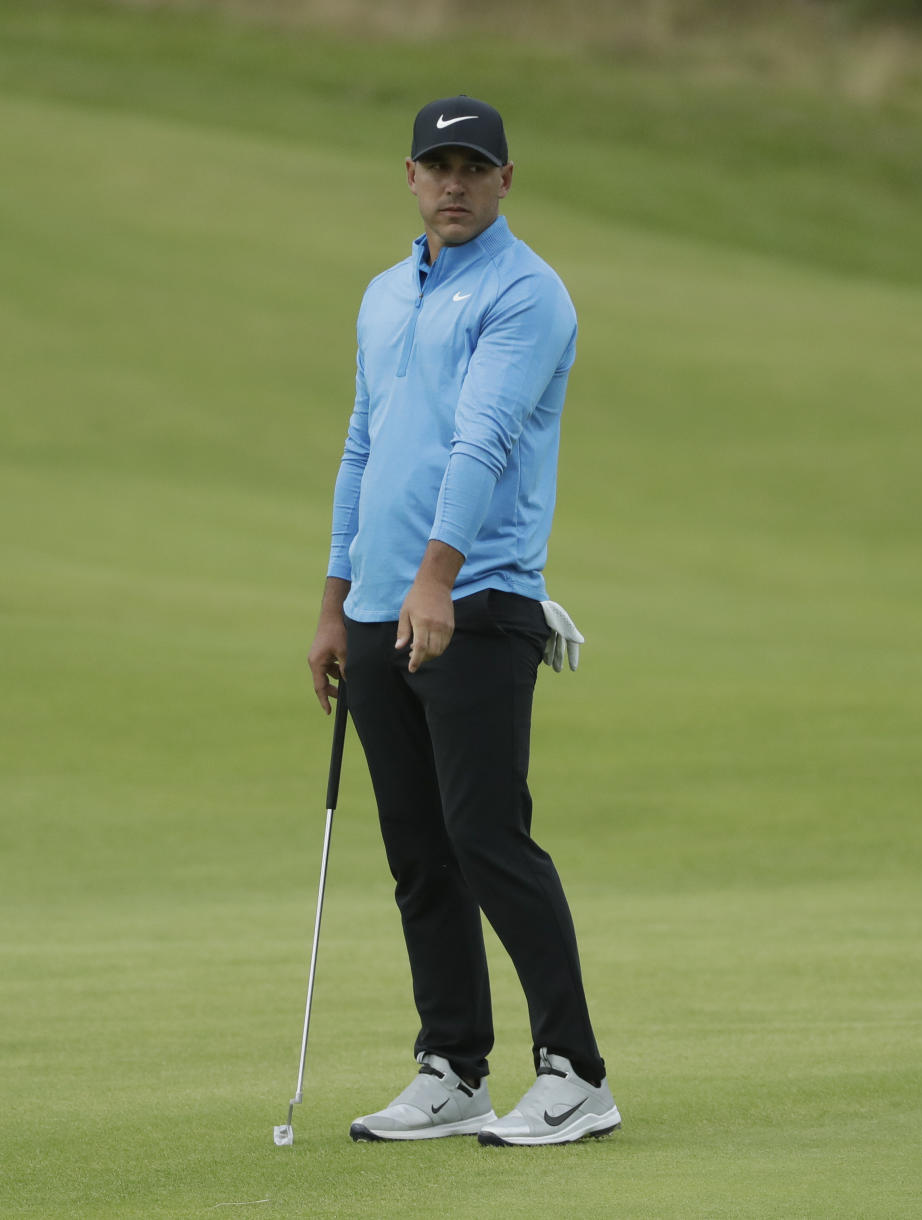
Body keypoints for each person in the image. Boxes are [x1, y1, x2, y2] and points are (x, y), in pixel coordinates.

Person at [307, 95, 620, 1147]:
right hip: (380, 607)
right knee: (419, 850)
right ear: (408, 176)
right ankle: (454, 1066)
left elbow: (483, 444)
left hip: (477, 599)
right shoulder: (384, 296)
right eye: (436, 166)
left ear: (504, 179)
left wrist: (436, 580)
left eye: (472, 167)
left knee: (488, 837)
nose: (453, 184)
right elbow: (363, 449)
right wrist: (335, 603)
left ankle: (575, 1073)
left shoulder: (528, 296)